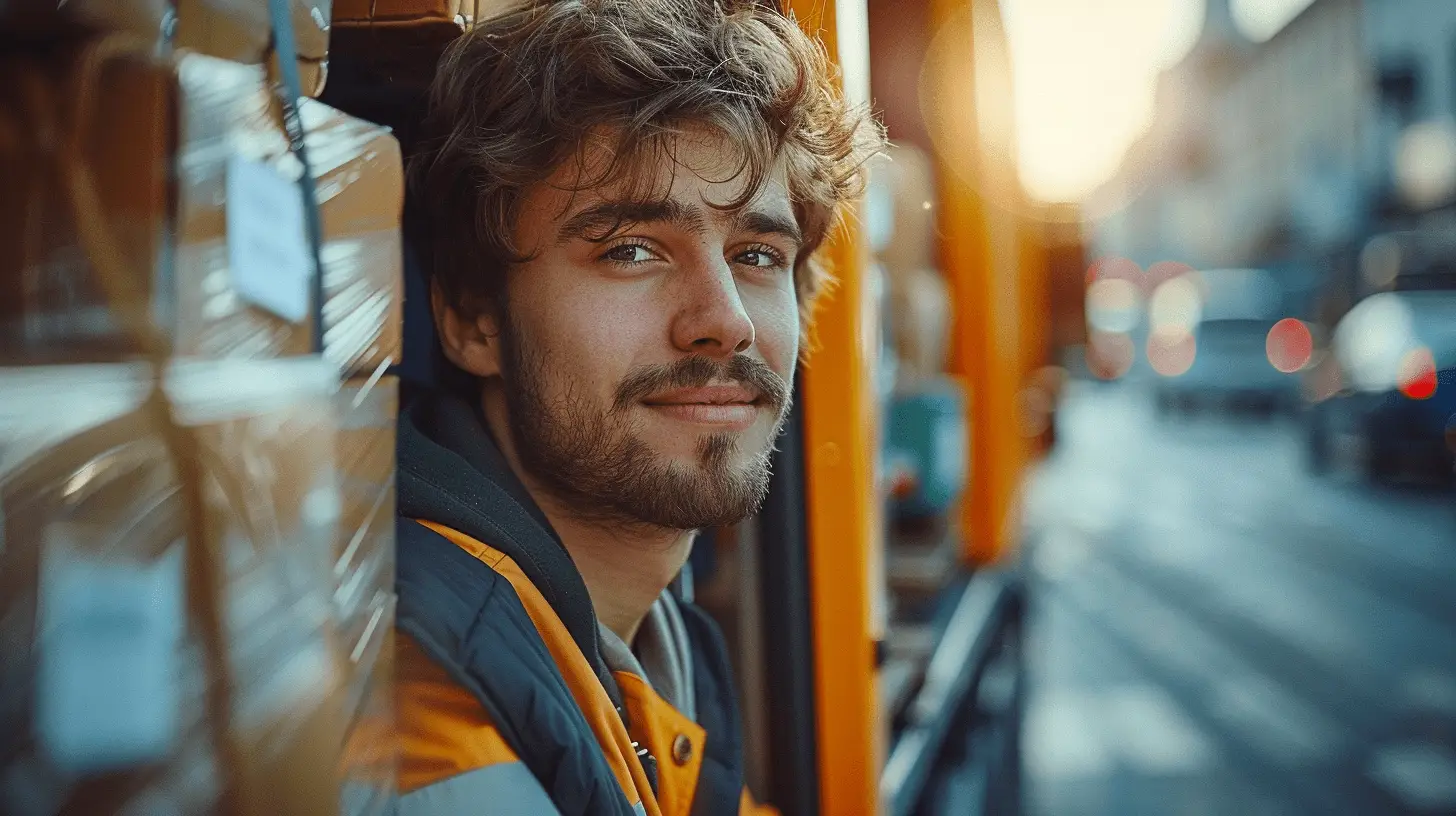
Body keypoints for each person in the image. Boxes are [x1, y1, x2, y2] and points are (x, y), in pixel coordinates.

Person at [394, 1, 883, 813]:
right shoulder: (425, 694)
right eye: (631, 250)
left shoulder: (655, 644)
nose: (724, 320)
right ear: (474, 320)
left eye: (757, 255)